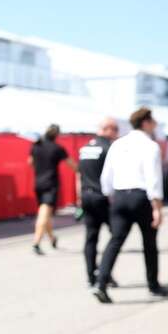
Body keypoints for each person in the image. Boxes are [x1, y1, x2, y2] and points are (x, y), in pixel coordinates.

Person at [92, 107, 168, 303]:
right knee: (149, 244)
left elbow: (106, 177)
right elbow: (153, 180)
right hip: (141, 197)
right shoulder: (150, 146)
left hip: (119, 197)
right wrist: (157, 208)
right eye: (153, 122)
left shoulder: (117, 145)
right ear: (145, 122)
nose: (154, 125)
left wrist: (111, 196)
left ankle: (100, 283)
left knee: (115, 241)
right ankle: (153, 285)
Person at [77, 118, 119, 287]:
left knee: (91, 237)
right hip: (103, 198)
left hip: (86, 196)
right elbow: (113, 175)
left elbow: (79, 174)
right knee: (117, 235)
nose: (116, 133)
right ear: (107, 129)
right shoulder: (109, 148)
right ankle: (103, 273)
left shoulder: (85, 148)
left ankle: (91, 276)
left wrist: (79, 196)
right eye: (115, 129)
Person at [28, 124, 77, 255]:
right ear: (57, 135)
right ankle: (36, 242)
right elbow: (73, 165)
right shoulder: (58, 148)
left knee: (46, 214)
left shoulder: (36, 146)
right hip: (50, 184)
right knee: (44, 213)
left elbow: (30, 162)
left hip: (38, 183)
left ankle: (52, 238)